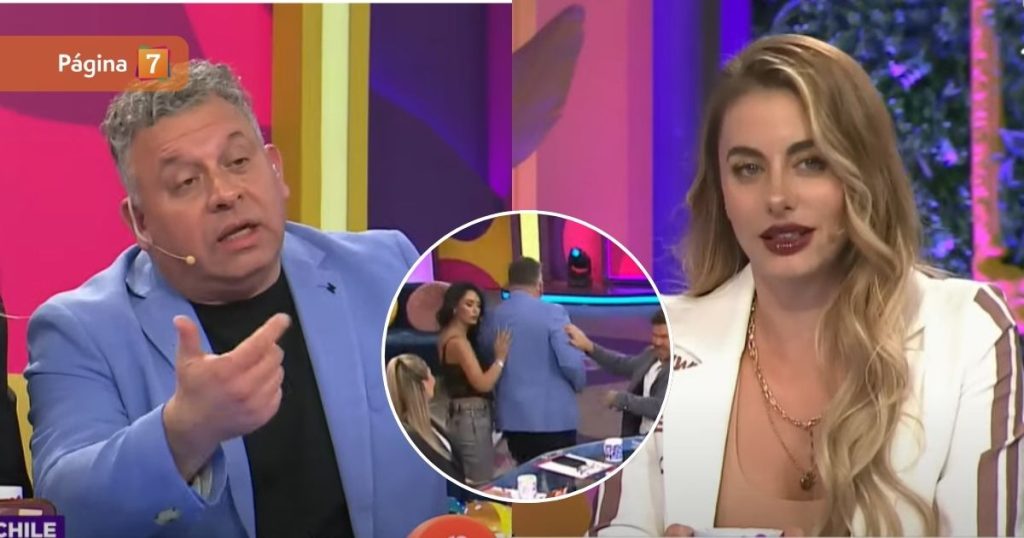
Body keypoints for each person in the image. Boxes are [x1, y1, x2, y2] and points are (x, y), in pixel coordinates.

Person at [593, 34, 1023, 537]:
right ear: (722, 191)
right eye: (748, 169)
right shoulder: (675, 339)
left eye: (811, 162)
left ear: (863, 175)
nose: (777, 196)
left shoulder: (969, 334)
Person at [25, 60, 446, 538]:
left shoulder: (385, 269)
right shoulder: (79, 329)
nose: (225, 193)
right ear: (141, 222)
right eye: (187, 182)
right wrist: (185, 431)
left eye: (238, 162)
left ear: (275, 170)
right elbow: (65, 512)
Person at [482, 257, 588, 464]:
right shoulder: (554, 313)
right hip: (554, 419)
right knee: (560, 478)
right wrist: (579, 382)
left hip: (514, 420)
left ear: (509, 283)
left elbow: (488, 360)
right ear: (539, 284)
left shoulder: (493, 317)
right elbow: (569, 361)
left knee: (526, 476)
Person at [435, 282, 511, 484]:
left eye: (478, 305)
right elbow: (483, 383)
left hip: (460, 415)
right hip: (472, 418)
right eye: (469, 304)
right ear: (454, 307)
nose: (475, 310)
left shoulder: (446, 336)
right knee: (481, 480)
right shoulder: (459, 343)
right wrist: (500, 359)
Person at [564, 309, 670, 437]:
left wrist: (621, 399)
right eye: (655, 335)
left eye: (664, 337)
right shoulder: (651, 354)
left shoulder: (681, 366)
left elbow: (660, 407)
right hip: (640, 437)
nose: (657, 342)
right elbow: (621, 364)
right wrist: (589, 347)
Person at [386, 354, 465, 484]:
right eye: (430, 374)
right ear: (424, 384)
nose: (434, 380)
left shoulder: (430, 424)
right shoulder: (411, 438)